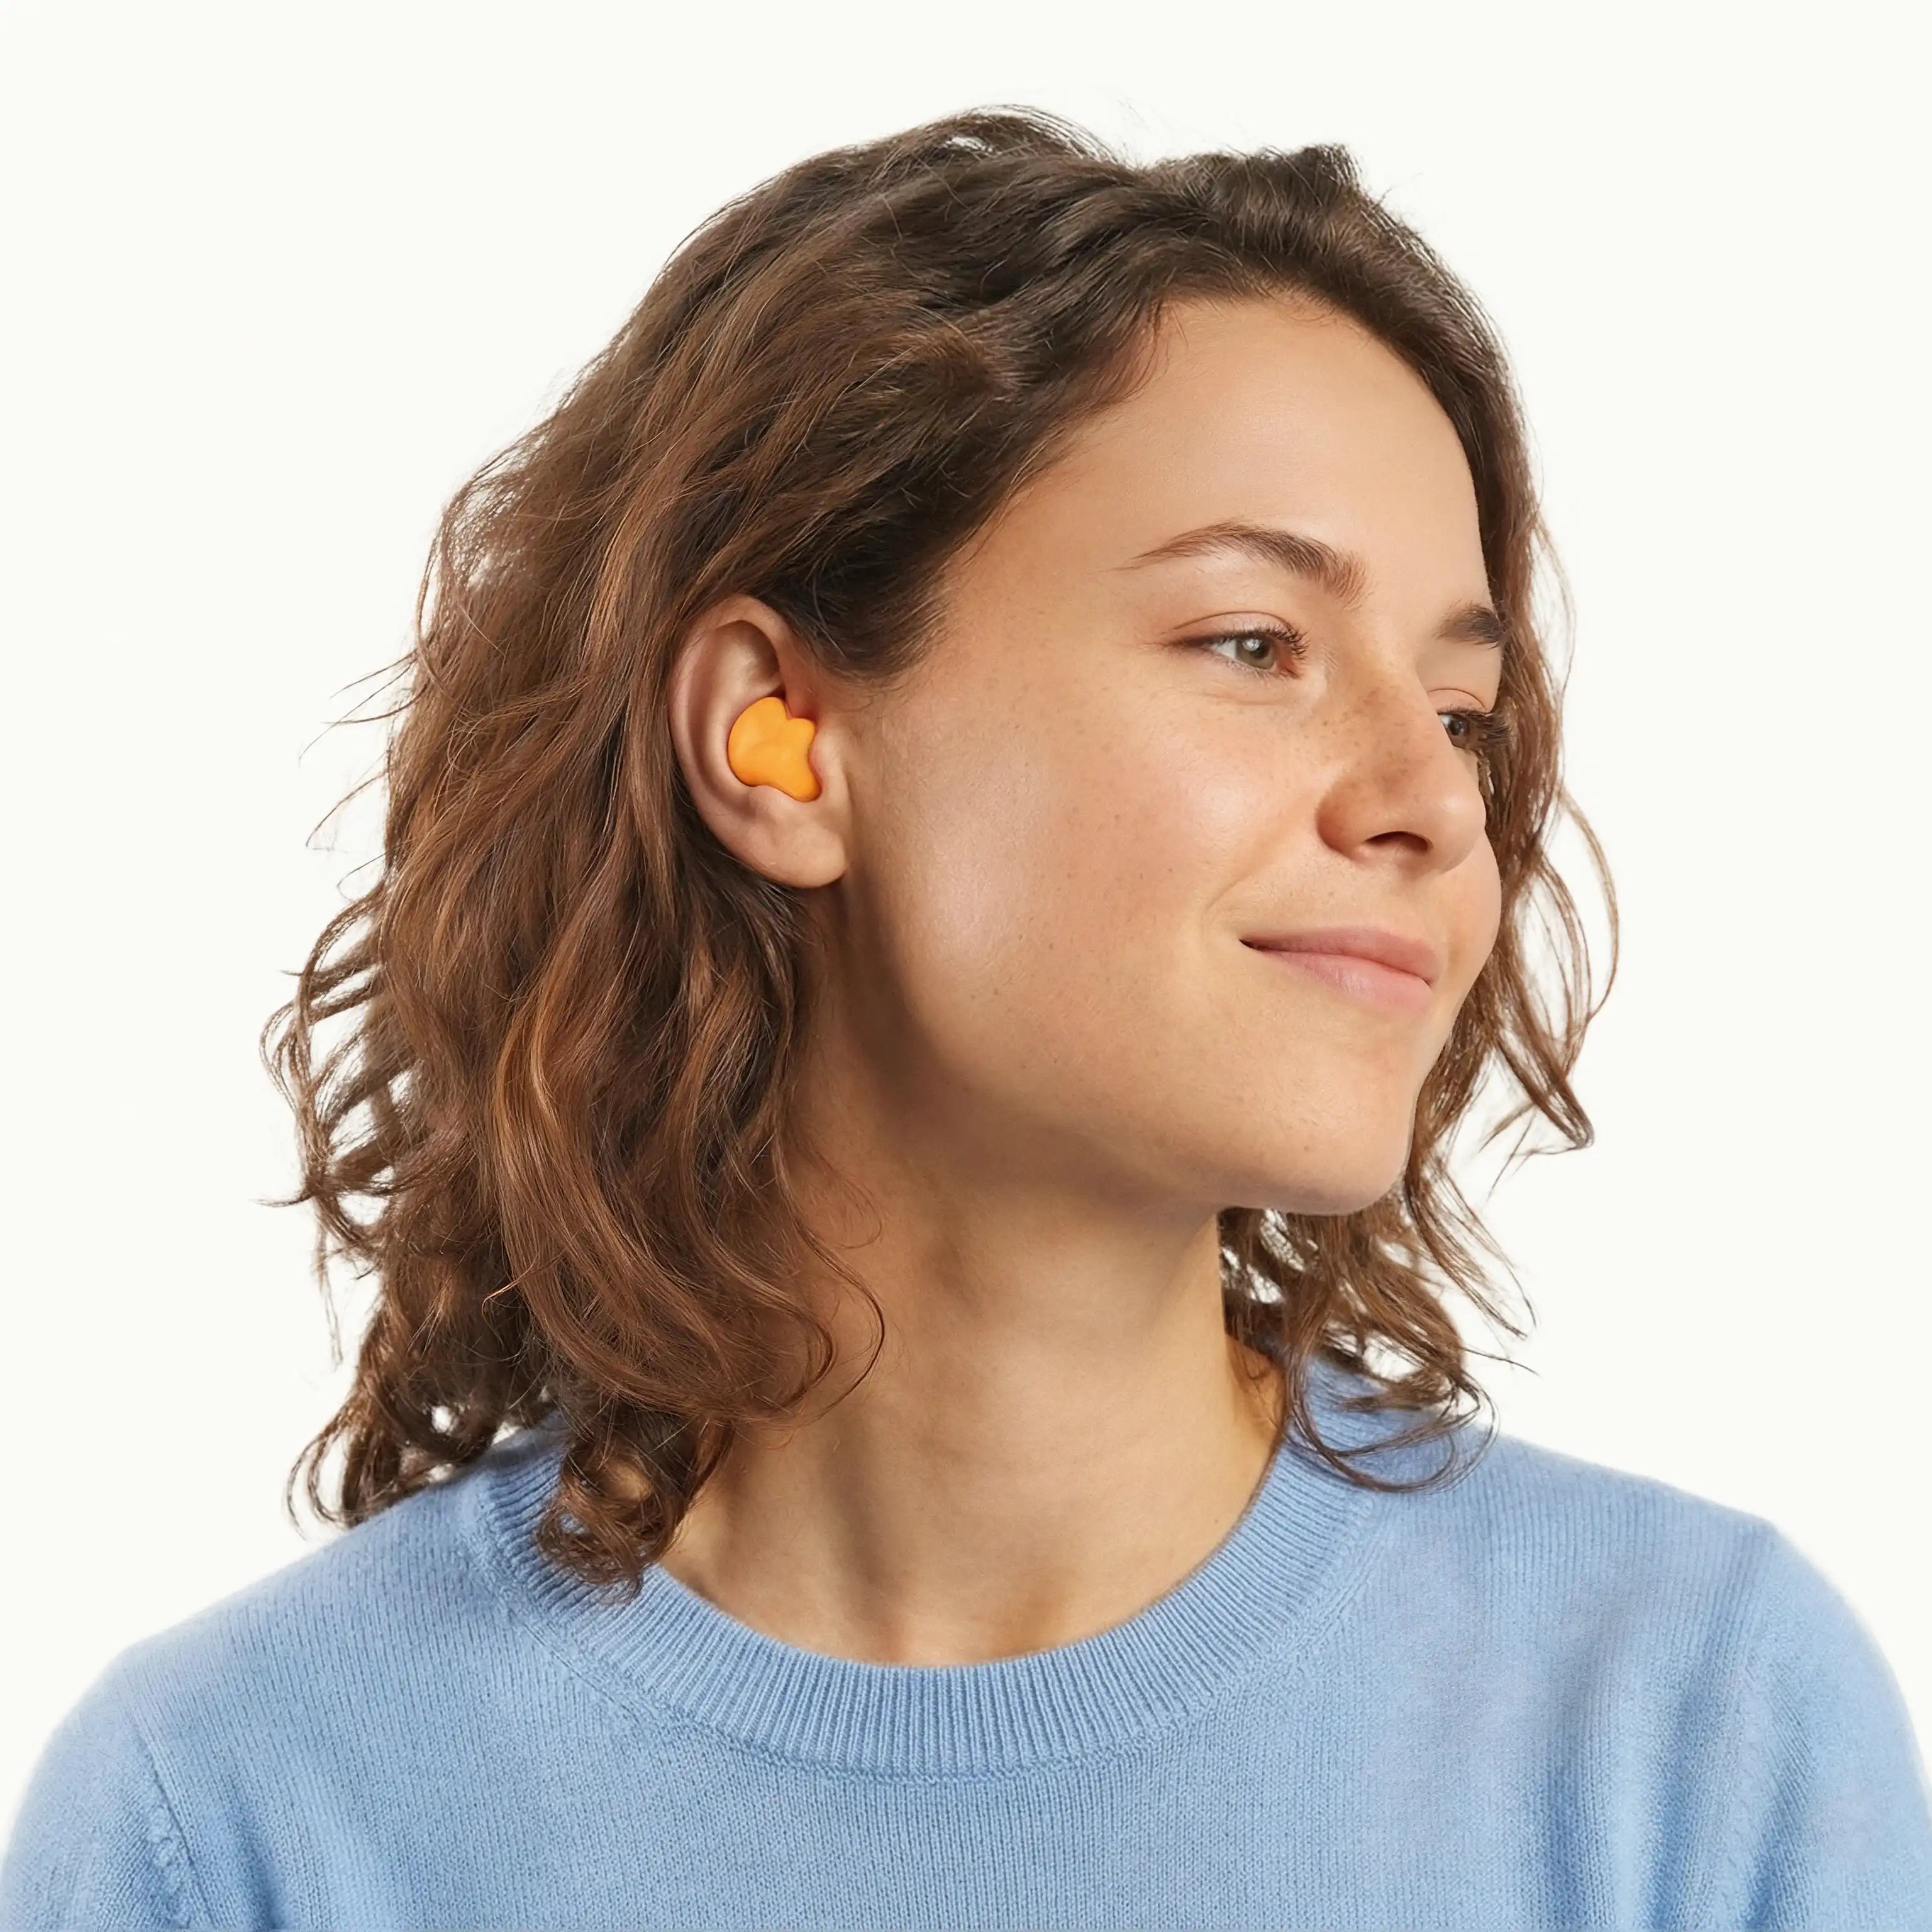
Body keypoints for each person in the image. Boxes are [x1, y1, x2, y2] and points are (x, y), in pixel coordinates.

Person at [4, 105, 1928, 1931]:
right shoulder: (243, 1821)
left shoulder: (1699, 1739)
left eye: (1464, 708)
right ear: (782, 739)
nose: (1429, 799)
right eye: (1253, 646)